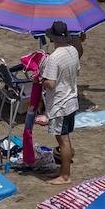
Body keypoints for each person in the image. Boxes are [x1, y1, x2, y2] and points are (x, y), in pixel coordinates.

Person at [41, 20, 80, 185]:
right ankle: (63, 169)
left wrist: (40, 78)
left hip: (60, 104)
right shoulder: (73, 50)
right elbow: (77, 71)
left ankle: (65, 175)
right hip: (71, 99)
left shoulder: (54, 58)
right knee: (65, 138)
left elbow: (50, 84)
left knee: (63, 140)